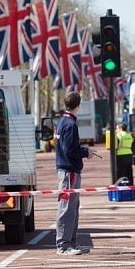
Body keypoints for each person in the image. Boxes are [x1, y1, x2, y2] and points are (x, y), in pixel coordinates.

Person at [55, 92, 94, 255]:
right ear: (78, 105)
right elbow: (70, 149)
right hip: (69, 171)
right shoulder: (70, 124)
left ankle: (71, 242)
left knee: (73, 207)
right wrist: (85, 152)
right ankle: (63, 245)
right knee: (67, 208)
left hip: (67, 170)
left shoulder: (62, 122)